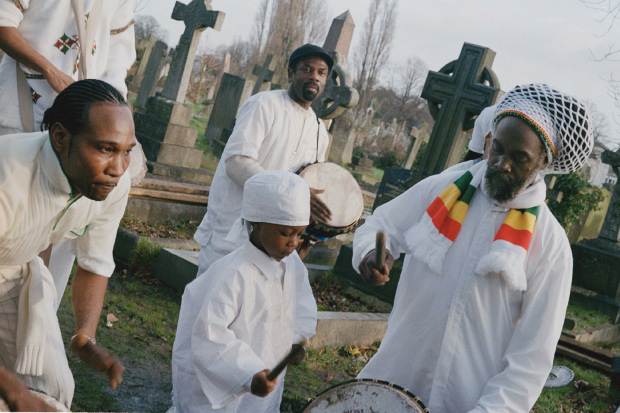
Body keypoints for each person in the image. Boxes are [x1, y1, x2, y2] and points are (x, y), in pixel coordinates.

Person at [353, 83, 593, 412]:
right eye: (499, 150)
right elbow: (381, 225)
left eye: (519, 158)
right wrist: (370, 252)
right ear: (489, 142)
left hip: (467, 401)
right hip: (391, 382)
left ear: (542, 162)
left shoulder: (550, 245)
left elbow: (530, 359)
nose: (502, 165)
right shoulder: (442, 189)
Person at [0, 0, 146, 306]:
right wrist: (48, 69)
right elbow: (3, 23)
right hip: (21, 102)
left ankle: (38, 314)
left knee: (67, 223)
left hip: (89, 123)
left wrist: (112, 104)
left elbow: (119, 50)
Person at [0, 79, 133, 411]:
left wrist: (84, 336)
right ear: (60, 137)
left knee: (54, 393)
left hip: (14, 273)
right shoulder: (7, 176)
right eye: (105, 148)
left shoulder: (114, 182)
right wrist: (14, 393)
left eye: (126, 150)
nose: (117, 169)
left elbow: (95, 262)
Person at [173, 170, 317, 413]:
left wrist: (296, 342)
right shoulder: (233, 273)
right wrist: (248, 373)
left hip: (267, 378)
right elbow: (210, 333)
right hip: (228, 382)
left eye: (300, 234)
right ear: (258, 222)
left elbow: (302, 306)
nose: (294, 243)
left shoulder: (292, 265)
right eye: (286, 233)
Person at [194, 43, 334, 274]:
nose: (314, 77)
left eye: (321, 73)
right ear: (290, 74)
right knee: (211, 302)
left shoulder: (319, 131)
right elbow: (237, 163)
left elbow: (310, 182)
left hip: (275, 242)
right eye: (306, 70)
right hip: (234, 229)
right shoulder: (264, 104)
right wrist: (292, 193)